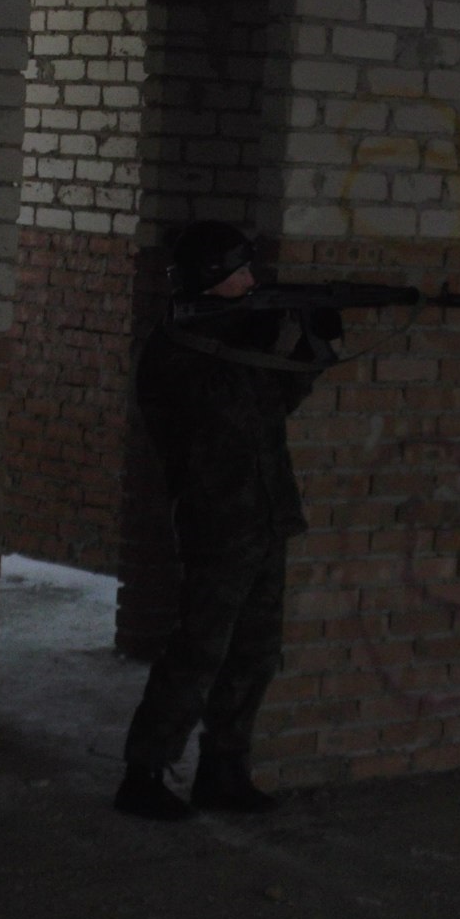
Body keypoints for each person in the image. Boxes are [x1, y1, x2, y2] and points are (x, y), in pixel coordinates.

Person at [114, 220, 341, 820]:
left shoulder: (228, 334)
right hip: (218, 518)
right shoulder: (178, 344)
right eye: (238, 272)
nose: (250, 281)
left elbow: (275, 405)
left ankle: (224, 768)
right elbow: (225, 415)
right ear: (206, 281)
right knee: (200, 649)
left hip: (265, 512)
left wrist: (307, 348)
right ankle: (144, 772)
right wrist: (265, 340)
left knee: (256, 652)